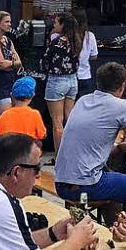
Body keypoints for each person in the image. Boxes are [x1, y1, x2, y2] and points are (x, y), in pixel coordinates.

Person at [54, 62, 126, 223]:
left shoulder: (83, 100)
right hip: (86, 186)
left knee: (113, 190)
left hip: (61, 183)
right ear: (122, 86)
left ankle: (111, 232)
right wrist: (120, 147)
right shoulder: (121, 106)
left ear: (98, 83)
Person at [42, 12, 82, 154]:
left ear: (63, 25)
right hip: (72, 80)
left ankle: (59, 155)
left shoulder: (57, 42)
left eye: (57, 22)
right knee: (69, 119)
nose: (54, 24)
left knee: (57, 122)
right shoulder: (76, 41)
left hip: (57, 80)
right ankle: (72, 151)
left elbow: (46, 61)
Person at [73, 10, 98, 98]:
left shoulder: (69, 35)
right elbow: (94, 56)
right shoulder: (90, 35)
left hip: (71, 77)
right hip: (85, 76)